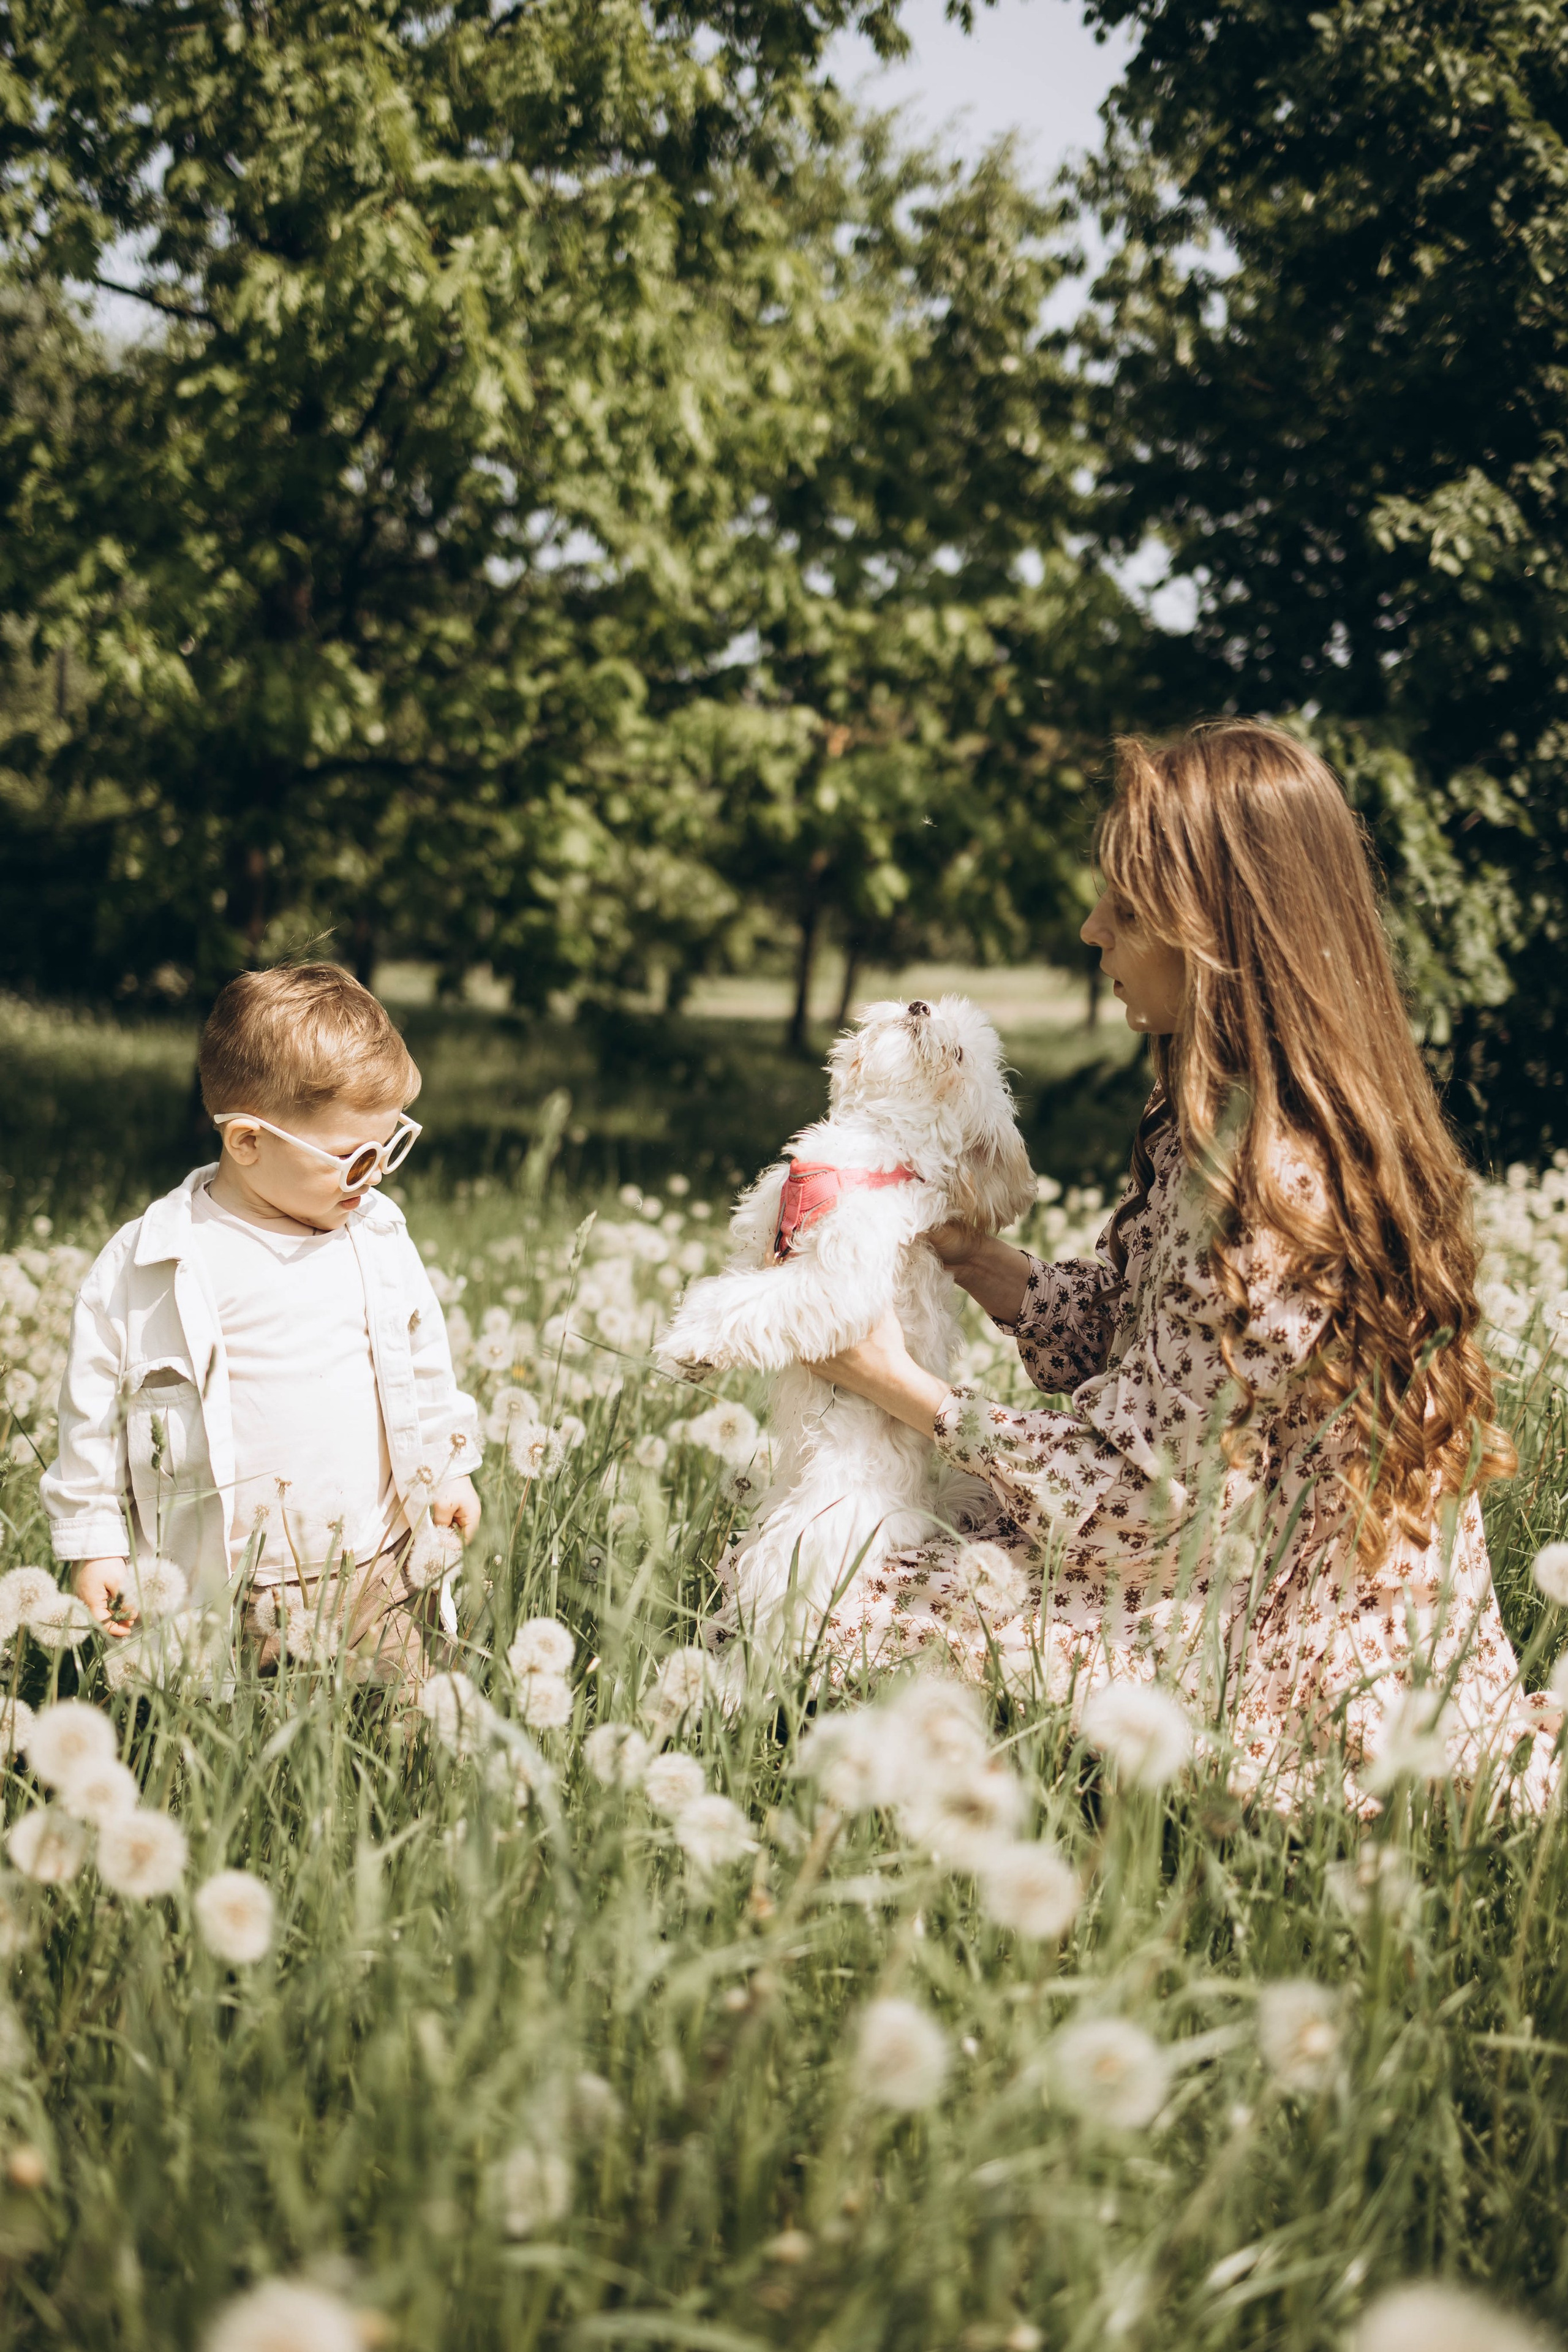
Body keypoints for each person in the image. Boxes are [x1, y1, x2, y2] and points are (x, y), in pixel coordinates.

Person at [804, 723, 1557, 1804]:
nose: (1091, 931)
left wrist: (898, 1384)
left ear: (1216, 937)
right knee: (866, 1532)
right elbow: (1163, 1345)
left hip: (1281, 1641)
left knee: (836, 1590)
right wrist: (990, 1267)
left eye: (1126, 908)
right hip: (1239, 1560)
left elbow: (1146, 1508)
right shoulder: (1229, 1119)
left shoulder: (1274, 1187)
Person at [42, 964, 482, 1686]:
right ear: (247, 1141)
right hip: (231, 1591)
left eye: (389, 1147)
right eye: (353, 1158)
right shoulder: (149, 1264)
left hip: (379, 1566)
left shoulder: (375, 1234)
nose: (375, 1176)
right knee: (222, 1759)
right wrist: (95, 1546)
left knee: (412, 1735)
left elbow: (424, 1364)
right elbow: (89, 1419)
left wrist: (449, 1465)